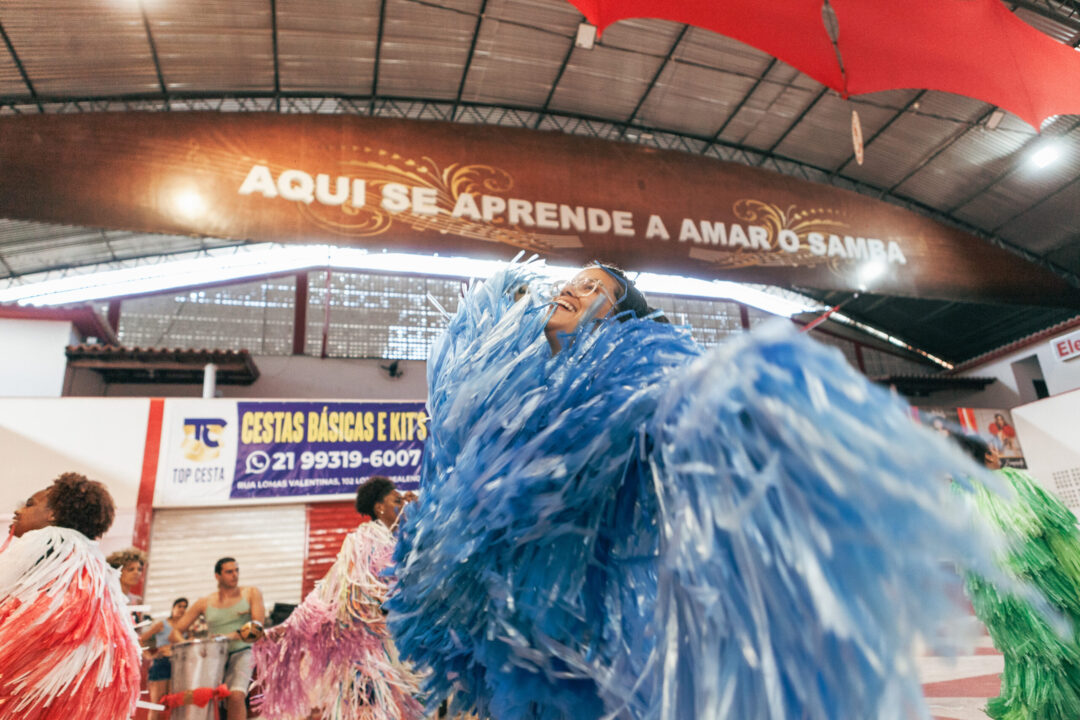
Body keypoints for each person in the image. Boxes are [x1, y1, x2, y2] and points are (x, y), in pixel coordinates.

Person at [386, 259, 1010, 720]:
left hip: (617, 624)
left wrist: (915, 440)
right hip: (521, 630)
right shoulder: (501, 388)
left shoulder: (643, 377)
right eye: (571, 280)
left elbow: (754, 418)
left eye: (596, 286)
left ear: (622, 312)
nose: (574, 289)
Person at [253, 476, 423, 720]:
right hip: (362, 645)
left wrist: (420, 508)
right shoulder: (363, 539)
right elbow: (338, 586)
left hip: (386, 639)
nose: (403, 504)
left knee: (391, 704)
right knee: (369, 706)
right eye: (397, 500)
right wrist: (286, 627)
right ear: (379, 507)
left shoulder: (399, 540)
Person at [952, 433, 1080, 720]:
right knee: (1064, 641)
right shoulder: (1018, 483)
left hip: (1002, 596)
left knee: (1030, 652)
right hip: (1047, 584)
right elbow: (1058, 530)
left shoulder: (959, 496)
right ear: (988, 456)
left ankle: (1040, 707)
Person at [0, 472, 141, 720]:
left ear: (53, 515)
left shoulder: (49, 539)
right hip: (84, 688)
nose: (18, 511)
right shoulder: (96, 560)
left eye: (30, 504)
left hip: (43, 677)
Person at [170, 556, 266, 720]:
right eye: (229, 572)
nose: (235, 575)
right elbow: (175, 632)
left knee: (236, 695)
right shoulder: (204, 602)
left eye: (237, 571)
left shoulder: (251, 593)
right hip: (214, 657)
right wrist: (187, 644)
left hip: (243, 651)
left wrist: (229, 636)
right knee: (206, 699)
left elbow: (257, 627)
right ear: (217, 576)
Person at [141, 597, 189, 720]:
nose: (182, 609)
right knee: (156, 704)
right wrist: (148, 655)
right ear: (173, 608)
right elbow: (142, 639)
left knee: (174, 703)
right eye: (179, 606)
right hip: (161, 663)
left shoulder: (185, 627)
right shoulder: (162, 624)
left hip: (178, 665)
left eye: (185, 607)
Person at [107, 546, 149, 625]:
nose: (136, 573)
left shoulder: (137, 601)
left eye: (139, 569)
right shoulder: (109, 599)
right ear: (118, 572)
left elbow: (137, 630)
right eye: (131, 569)